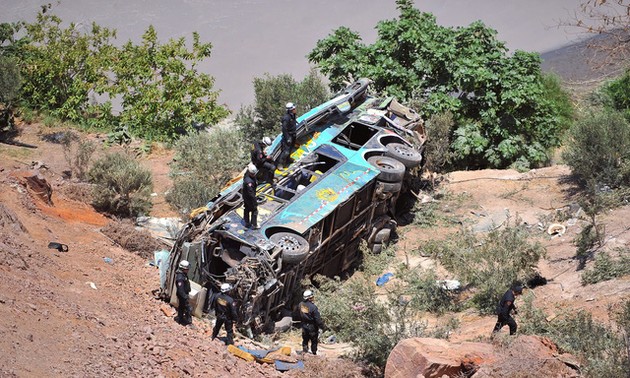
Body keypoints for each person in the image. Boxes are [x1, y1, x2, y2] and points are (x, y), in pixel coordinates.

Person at [299, 289, 325, 355]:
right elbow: (317, 319)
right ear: (310, 298)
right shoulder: (313, 307)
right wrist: (323, 327)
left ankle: (304, 352)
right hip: (312, 327)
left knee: (305, 340)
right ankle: (313, 353)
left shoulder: (301, 305)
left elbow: (300, 314)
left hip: (304, 326)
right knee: (314, 341)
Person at [278, 102, 297, 168]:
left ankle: (288, 160)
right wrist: (288, 138)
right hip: (288, 136)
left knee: (291, 148)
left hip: (293, 134)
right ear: (290, 110)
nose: (295, 109)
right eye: (294, 109)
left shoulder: (293, 115)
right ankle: (280, 164)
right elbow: (284, 129)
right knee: (286, 151)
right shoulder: (286, 118)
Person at [175, 260, 192, 326]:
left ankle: (180, 318)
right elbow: (180, 290)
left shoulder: (183, 275)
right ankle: (187, 321)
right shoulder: (180, 278)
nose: (188, 270)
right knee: (188, 308)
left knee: (182, 307)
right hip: (182, 295)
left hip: (184, 294)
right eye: (186, 269)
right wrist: (185, 297)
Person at [243, 163, 259, 229]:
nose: (254, 175)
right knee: (254, 210)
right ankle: (254, 225)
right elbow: (251, 194)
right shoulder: (249, 182)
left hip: (245, 196)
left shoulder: (247, 173)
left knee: (246, 208)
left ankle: (246, 222)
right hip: (249, 197)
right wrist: (255, 201)